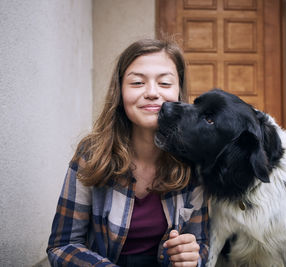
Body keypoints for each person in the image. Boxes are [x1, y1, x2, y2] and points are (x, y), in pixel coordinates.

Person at [47, 39, 209, 267]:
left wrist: (194, 256)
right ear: (120, 91)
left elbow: (201, 244)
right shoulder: (91, 154)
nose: (152, 93)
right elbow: (61, 246)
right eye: (137, 82)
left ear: (179, 91)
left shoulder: (193, 160)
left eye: (164, 83)